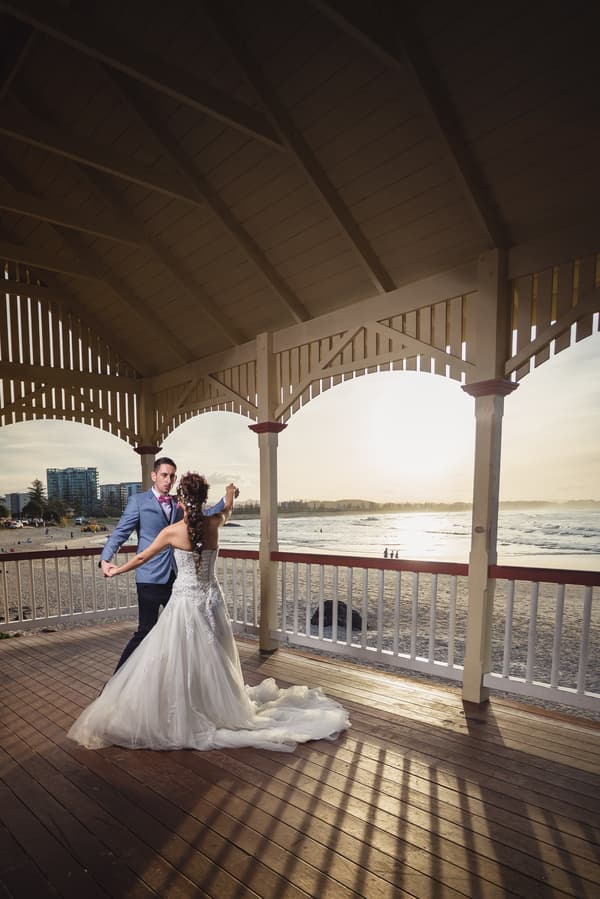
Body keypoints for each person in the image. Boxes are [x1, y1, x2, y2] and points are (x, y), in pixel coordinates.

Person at [68, 473, 350, 752]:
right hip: (211, 599)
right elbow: (227, 508)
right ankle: (216, 705)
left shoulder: (171, 532)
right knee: (215, 653)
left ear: (180, 499)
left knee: (178, 654)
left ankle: (186, 706)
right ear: (203, 499)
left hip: (184, 601)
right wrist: (230, 492)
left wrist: (117, 569)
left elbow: (142, 557)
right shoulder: (215, 522)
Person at [100, 456, 225, 670]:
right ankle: (117, 681)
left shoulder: (180, 503)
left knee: (181, 633)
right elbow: (120, 533)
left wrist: (227, 498)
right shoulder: (138, 502)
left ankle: (173, 679)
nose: (168, 480)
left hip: (177, 581)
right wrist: (105, 559)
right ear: (154, 476)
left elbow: (205, 515)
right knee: (145, 631)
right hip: (148, 577)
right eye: (164, 475)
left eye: (172, 476)